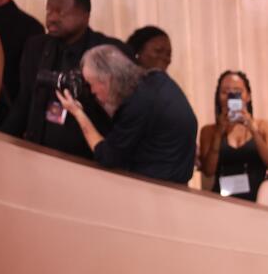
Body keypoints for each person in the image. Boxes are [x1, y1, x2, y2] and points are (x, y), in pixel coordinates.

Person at [0, 0, 118, 160]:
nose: (52, 18)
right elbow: (24, 100)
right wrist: (2, 140)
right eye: (49, 11)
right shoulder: (36, 46)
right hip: (37, 151)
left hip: (85, 158)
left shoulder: (104, 51)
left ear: (85, 16)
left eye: (61, 13)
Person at [56, 44, 199, 184]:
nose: (91, 91)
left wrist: (77, 113)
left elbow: (106, 156)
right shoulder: (157, 79)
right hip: (178, 182)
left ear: (107, 80)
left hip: (157, 189)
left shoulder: (137, 104)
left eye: (91, 83)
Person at [196, 71, 268, 199]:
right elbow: (208, 171)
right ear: (218, 97)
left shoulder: (265, 126)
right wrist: (219, 133)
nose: (231, 96)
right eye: (225, 92)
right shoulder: (209, 131)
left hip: (258, 199)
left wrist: (252, 129)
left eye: (237, 91)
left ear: (248, 96)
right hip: (222, 199)